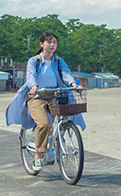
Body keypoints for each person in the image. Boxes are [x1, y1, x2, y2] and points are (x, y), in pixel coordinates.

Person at [5, 32, 85, 171]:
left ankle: (57, 142)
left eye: (54, 42)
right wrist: (34, 86)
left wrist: (73, 85)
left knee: (63, 119)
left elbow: (66, 74)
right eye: (49, 42)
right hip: (37, 96)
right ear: (41, 44)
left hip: (54, 94)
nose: (52, 45)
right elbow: (31, 75)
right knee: (44, 123)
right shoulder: (34, 61)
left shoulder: (59, 61)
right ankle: (38, 155)